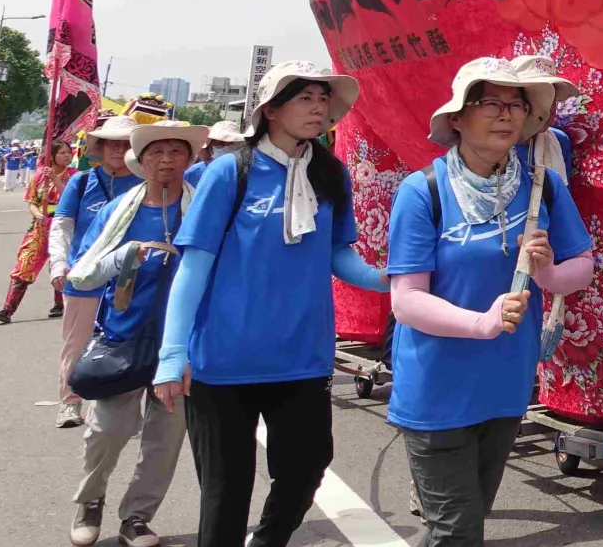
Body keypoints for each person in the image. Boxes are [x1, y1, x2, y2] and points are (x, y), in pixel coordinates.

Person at [153, 61, 389, 547]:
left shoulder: (330, 173)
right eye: (305, 98)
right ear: (272, 111)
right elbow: (193, 267)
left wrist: (388, 279)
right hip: (223, 361)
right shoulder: (229, 173)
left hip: (302, 356)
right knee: (225, 493)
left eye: (324, 99)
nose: (319, 107)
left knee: (307, 465)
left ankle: (268, 540)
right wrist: (172, 353)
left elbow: (337, 255)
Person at [388, 58, 595, 546]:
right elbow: (407, 301)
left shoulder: (543, 184)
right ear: (458, 117)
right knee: (458, 531)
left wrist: (544, 270)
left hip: (504, 385)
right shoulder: (424, 192)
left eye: (517, 105)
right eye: (491, 103)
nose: (507, 115)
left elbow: (580, 268)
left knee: (463, 524)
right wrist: (483, 322)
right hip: (436, 390)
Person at [65, 120, 209, 547]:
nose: (166, 160)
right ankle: (90, 500)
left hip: (180, 346)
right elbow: (83, 275)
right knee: (107, 432)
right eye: (156, 153)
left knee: (164, 440)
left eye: (176, 152)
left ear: (189, 159)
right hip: (122, 337)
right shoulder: (117, 212)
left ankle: (137, 517)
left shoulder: (202, 210)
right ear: (141, 162)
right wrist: (124, 257)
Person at [52, 115, 145, 427]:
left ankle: (117, 408)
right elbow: (62, 227)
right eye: (112, 144)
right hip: (83, 279)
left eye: (125, 143)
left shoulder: (147, 184)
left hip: (130, 280)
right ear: (100, 148)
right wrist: (58, 264)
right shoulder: (81, 183)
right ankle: (70, 402)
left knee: (124, 345)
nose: (118, 149)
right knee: (76, 344)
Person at [0, 136, 76, 324]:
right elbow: (31, 201)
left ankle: (59, 305)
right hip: (40, 228)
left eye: (68, 153)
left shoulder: (75, 175)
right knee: (24, 265)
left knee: (60, 264)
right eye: (62, 153)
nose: (67, 156)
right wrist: (37, 212)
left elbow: (72, 198)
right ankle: (7, 309)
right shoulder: (38, 175)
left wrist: (55, 179)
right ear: (52, 156)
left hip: (64, 225)